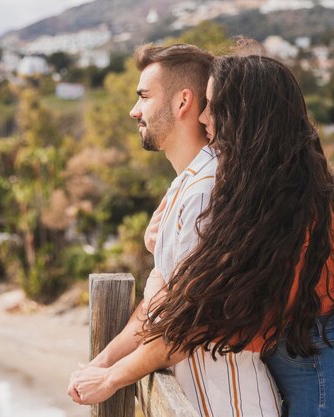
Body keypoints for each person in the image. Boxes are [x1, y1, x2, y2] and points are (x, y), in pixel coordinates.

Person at [149, 53, 334, 417]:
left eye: (213, 107)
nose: (203, 118)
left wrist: (113, 373)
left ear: (247, 117)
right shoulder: (279, 194)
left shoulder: (293, 207)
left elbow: (235, 323)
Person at [68, 44, 281, 417]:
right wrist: (100, 363)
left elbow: (188, 324)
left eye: (144, 96)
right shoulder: (184, 186)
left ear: (183, 102)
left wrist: (111, 378)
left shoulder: (206, 191)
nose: (135, 110)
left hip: (228, 406)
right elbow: (157, 305)